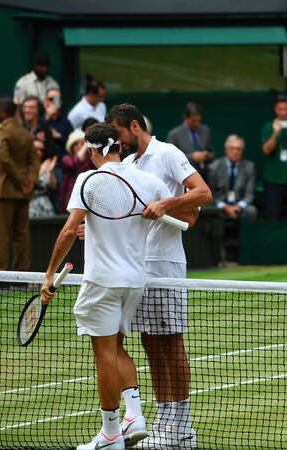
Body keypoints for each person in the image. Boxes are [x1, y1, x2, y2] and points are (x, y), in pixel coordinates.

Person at [41, 123, 173, 450]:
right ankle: (135, 417)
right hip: (134, 282)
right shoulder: (148, 181)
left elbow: (70, 229)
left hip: (102, 281)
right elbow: (182, 205)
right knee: (116, 348)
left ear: (92, 151)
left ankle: (111, 434)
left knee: (104, 356)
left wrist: (48, 275)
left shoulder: (88, 179)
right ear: (118, 147)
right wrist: (162, 208)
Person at [106, 103, 211, 449]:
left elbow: (202, 194)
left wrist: (166, 205)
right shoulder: (129, 165)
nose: (117, 143)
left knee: (171, 342)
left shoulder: (167, 153)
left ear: (134, 126)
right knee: (151, 344)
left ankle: (182, 429)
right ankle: (166, 425)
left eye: (119, 135)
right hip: (139, 265)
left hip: (165, 264)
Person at [0, 98, 38, 271]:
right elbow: (34, 160)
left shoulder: (0, 131)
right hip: (24, 192)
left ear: (3, 112)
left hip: (4, 190)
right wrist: (29, 182)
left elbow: (4, 159)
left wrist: (20, 181)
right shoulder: (24, 132)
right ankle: (21, 275)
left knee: (0, 235)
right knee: (22, 235)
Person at [208, 134, 257, 222]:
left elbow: (250, 194)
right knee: (210, 210)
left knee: (251, 210)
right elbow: (211, 195)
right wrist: (225, 207)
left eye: (238, 149)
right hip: (219, 205)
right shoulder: (213, 167)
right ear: (226, 149)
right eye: (232, 148)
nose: (235, 152)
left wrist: (239, 206)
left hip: (239, 206)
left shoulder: (249, 167)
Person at [166, 102, 213, 178]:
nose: (196, 123)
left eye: (198, 120)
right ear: (185, 117)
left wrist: (206, 155)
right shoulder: (174, 134)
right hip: (184, 176)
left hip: (205, 176)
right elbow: (170, 159)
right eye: (194, 120)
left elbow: (212, 154)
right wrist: (192, 157)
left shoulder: (206, 131)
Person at [59, 128, 92, 211]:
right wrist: (86, 144)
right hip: (70, 199)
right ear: (71, 147)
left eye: (82, 144)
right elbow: (74, 163)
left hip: (88, 198)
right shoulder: (66, 159)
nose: (80, 146)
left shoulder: (91, 160)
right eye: (76, 144)